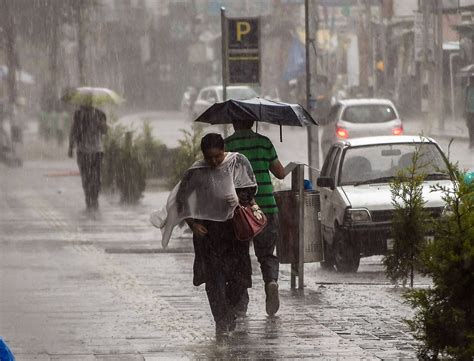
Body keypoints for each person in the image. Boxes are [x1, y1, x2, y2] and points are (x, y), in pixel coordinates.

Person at [158, 133, 259, 337]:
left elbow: (250, 190)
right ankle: (220, 321)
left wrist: (239, 199)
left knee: (238, 278)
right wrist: (192, 223)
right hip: (208, 234)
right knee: (214, 279)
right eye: (209, 157)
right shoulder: (197, 171)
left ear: (224, 151)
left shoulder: (238, 163)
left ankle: (230, 311)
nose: (214, 162)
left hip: (235, 232)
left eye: (218, 157)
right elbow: (181, 200)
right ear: (203, 155)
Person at [225, 119, 287, 317]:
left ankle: (241, 303)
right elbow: (280, 172)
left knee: (239, 256)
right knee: (267, 253)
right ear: (253, 121)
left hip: (239, 209)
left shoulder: (228, 145)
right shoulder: (264, 142)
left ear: (233, 122)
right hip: (266, 207)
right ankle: (271, 282)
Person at [68, 102, 107, 211]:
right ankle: (89, 198)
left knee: (97, 177)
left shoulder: (100, 114)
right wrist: (71, 147)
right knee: (86, 177)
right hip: (83, 151)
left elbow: (105, 131)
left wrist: (101, 124)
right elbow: (74, 131)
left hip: (97, 151)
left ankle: (94, 198)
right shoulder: (78, 115)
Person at [464, 76, 474, 149]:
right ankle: (471, 142)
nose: (471, 82)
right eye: (470, 80)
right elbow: (465, 99)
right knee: (470, 127)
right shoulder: (467, 88)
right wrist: (464, 111)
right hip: (468, 111)